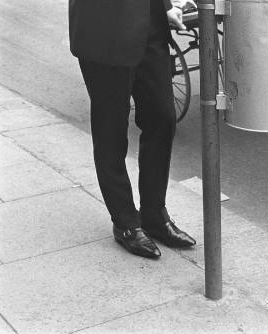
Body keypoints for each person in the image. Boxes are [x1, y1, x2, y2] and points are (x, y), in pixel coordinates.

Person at [69, 0, 196, 258]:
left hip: (149, 26)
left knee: (162, 117)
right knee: (111, 130)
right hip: (105, 32)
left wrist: (166, 5)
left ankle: (154, 215)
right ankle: (125, 222)